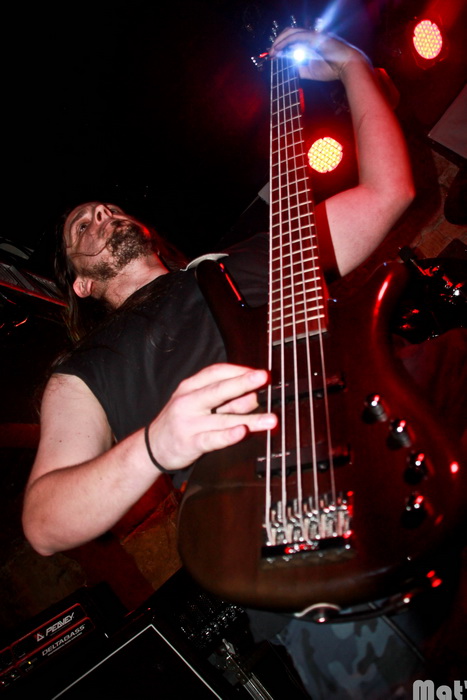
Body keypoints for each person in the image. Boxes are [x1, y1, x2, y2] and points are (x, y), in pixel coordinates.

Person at [22, 28, 420, 698]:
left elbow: (389, 191)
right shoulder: (85, 369)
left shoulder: (250, 258)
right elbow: (43, 523)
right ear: (81, 285)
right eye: (82, 227)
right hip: (299, 551)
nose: (100, 214)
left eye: (107, 209)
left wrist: (352, 65)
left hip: (396, 483)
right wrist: (157, 442)